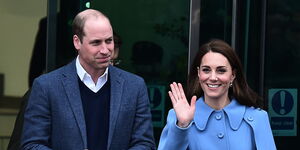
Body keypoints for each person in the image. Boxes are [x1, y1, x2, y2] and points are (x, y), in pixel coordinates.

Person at [21, 9, 155, 150]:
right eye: (96, 43)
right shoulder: (46, 86)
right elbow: (32, 145)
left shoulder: (134, 86)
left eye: (109, 41)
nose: (105, 50)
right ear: (77, 42)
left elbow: (144, 144)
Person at [158, 39, 276, 150]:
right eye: (206, 70)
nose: (213, 78)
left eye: (221, 70)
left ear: (233, 75)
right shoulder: (178, 117)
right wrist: (182, 125)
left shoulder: (257, 118)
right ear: (198, 73)